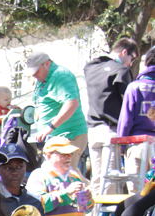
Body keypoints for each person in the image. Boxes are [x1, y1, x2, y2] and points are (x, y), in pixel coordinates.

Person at [85, 38, 137, 194]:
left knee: (96, 179)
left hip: (93, 128)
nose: (131, 63)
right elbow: (128, 106)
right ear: (124, 52)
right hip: (111, 130)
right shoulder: (121, 71)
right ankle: (107, 212)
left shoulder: (91, 67)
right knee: (109, 180)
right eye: (132, 58)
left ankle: (94, 211)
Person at [27, 52, 89, 170]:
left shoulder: (60, 75)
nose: (33, 74)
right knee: (56, 174)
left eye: (36, 70)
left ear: (46, 63)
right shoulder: (43, 78)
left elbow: (72, 103)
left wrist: (50, 127)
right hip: (55, 138)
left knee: (65, 174)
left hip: (68, 136)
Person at [116, 46, 155, 194]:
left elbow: (126, 120)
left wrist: (121, 147)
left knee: (135, 194)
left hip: (137, 145)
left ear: (145, 63)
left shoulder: (134, 87)